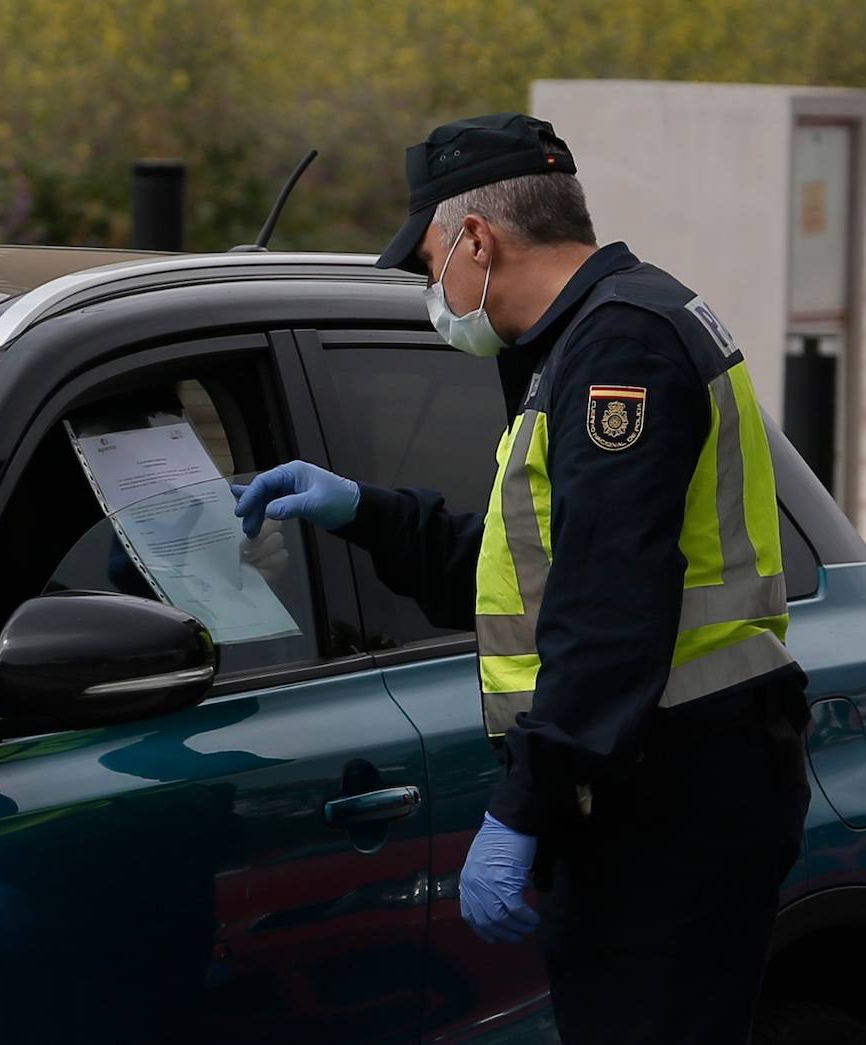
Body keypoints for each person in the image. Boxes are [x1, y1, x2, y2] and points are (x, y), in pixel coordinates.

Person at [233, 113, 810, 1044]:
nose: (435, 291)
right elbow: (528, 576)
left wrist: (524, 804)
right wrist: (364, 512)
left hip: (674, 804)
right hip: (662, 792)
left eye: (429, 266)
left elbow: (609, 612)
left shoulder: (620, 351)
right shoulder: (590, 340)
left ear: (477, 239)